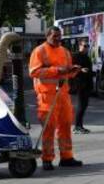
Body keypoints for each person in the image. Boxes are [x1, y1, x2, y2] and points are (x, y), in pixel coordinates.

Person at [28, 26, 84, 170]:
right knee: (49, 128)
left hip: (63, 94)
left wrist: (73, 71)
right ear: (47, 36)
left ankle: (66, 156)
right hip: (47, 95)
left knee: (65, 126)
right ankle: (47, 159)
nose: (58, 39)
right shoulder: (39, 51)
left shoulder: (65, 51)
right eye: (55, 36)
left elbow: (67, 72)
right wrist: (57, 70)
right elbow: (34, 72)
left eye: (59, 36)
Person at [71, 39, 94, 134]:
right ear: (79, 46)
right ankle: (77, 126)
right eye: (84, 46)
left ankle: (80, 126)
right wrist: (80, 70)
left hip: (87, 83)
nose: (86, 48)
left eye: (87, 46)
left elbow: (88, 69)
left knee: (84, 105)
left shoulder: (86, 57)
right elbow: (71, 68)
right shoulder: (76, 56)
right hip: (80, 84)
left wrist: (93, 73)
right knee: (81, 106)